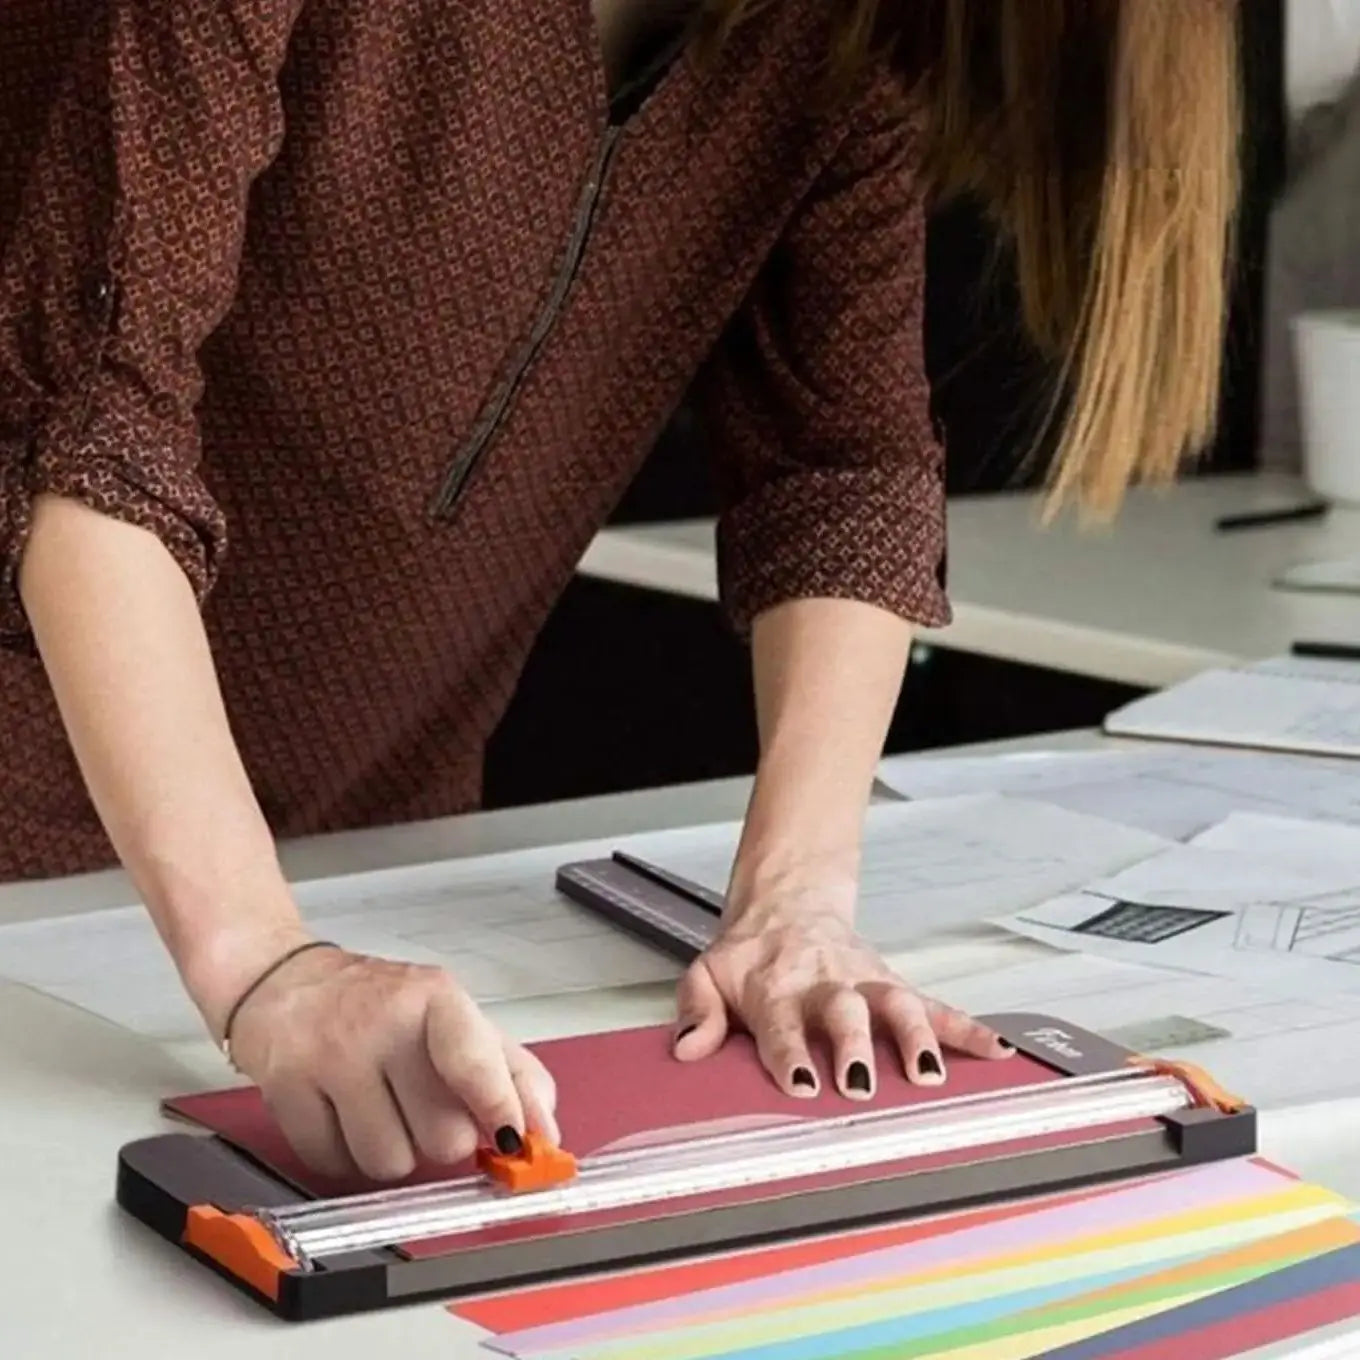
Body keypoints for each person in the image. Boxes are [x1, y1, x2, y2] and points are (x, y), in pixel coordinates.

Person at [0, 0, 1240, 1183]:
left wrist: (794, 902)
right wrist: (259, 960)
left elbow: (839, 466)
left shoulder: (836, 43)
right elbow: (88, 425)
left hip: (375, 859)